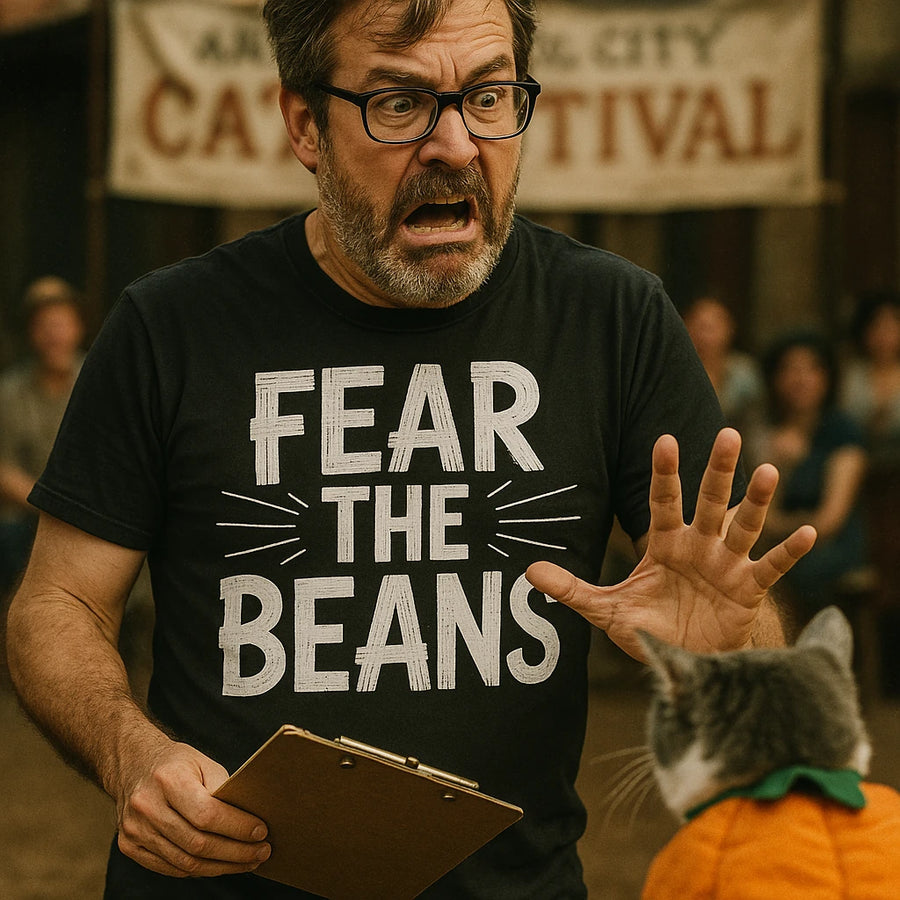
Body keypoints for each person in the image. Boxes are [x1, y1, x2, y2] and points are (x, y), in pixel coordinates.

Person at [5, 2, 815, 897]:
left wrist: (730, 648)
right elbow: (57, 605)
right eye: (400, 103)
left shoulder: (613, 321)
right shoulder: (171, 328)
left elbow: (745, 635)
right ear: (305, 126)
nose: (456, 146)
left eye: (488, 97)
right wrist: (132, 754)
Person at [746, 330, 867, 626]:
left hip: (832, 543)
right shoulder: (765, 430)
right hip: (779, 537)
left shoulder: (842, 430)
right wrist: (780, 463)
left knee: (791, 569)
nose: (800, 379)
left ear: (827, 377)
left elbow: (830, 519)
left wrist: (787, 527)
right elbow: (763, 514)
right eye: (789, 369)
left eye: (812, 368)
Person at [0, 276, 85, 594]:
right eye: (43, 326)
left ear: (78, 327)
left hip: (90, 510)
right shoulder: (10, 392)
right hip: (30, 513)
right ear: (30, 332)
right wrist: (49, 506)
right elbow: (4, 468)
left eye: (60, 324)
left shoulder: (96, 381)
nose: (53, 335)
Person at [682, 296, 763, 434]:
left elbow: (755, 422)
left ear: (729, 329)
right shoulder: (676, 371)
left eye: (710, 328)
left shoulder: (743, 372)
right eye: (698, 327)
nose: (703, 336)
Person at [840, 289, 900, 463]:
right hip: (855, 460)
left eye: (892, 326)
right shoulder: (848, 374)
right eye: (877, 326)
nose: (884, 335)